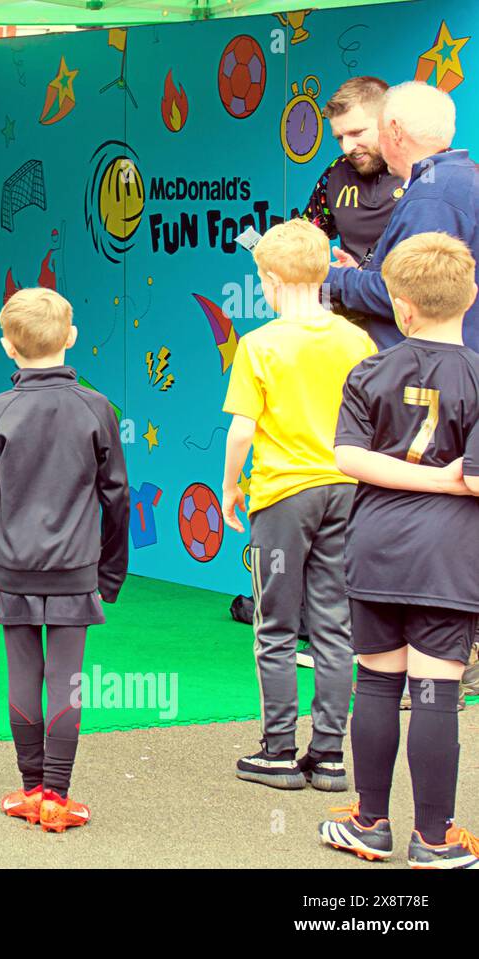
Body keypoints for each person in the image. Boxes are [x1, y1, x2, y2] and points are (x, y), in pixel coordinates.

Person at [318, 232, 479, 868]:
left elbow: (347, 456)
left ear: (399, 306)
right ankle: (434, 840)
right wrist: (447, 477)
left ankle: (369, 823)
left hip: (376, 549)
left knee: (378, 684)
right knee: (438, 691)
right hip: (450, 559)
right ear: (471, 298)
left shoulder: (368, 368)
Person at [0, 287, 129, 832]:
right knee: (66, 679)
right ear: (72, 337)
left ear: (8, 345)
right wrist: (110, 571)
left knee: (23, 674)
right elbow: (118, 498)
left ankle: (31, 788)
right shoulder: (96, 407)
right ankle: (57, 796)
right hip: (75, 572)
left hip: (10, 569)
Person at [221, 219, 375, 791]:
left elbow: (242, 430)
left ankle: (279, 750)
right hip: (345, 490)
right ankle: (330, 756)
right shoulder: (356, 340)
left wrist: (231, 486)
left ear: (270, 279)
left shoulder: (260, 345)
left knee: (276, 626)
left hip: (284, 496)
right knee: (335, 625)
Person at [325, 81, 479, 353]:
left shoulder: (432, 196)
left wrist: (331, 278)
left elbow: (408, 295)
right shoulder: (457, 178)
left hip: (427, 380)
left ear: (394, 131)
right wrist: (360, 274)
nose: (348, 147)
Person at [303, 76, 404, 269]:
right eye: (339, 138)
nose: (347, 147)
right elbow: (307, 236)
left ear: (390, 124)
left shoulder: (427, 172)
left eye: (357, 133)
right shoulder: (336, 171)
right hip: (349, 296)